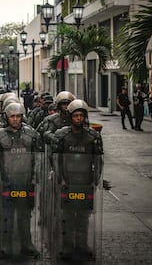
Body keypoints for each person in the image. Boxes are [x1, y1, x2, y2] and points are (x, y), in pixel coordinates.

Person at [52, 99, 103, 260]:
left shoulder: (93, 136)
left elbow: (98, 160)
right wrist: (60, 178)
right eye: (76, 115)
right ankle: (66, 245)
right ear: (70, 116)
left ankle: (82, 244)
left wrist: (96, 180)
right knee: (67, 216)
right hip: (67, 181)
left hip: (85, 182)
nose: (79, 118)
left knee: (83, 216)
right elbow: (55, 159)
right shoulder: (61, 135)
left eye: (81, 115)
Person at [0, 102, 40, 258]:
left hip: (25, 182)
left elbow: (36, 159)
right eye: (12, 116)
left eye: (18, 116)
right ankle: (5, 245)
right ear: (6, 117)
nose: (16, 119)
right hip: (8, 182)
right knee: (7, 215)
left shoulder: (31, 134)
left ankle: (27, 244)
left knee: (25, 215)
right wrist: (0, 181)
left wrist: (35, 178)